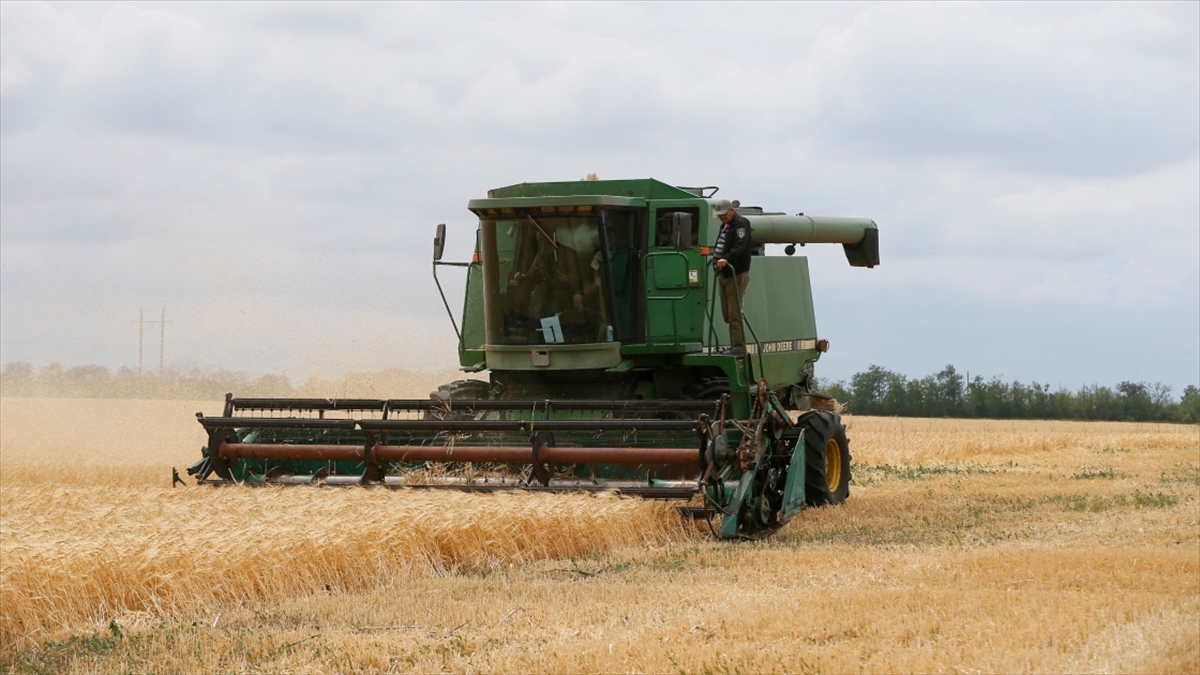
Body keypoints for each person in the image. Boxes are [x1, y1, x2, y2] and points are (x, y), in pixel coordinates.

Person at [711, 199, 752, 355]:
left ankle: (739, 347)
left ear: (731, 211)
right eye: (719, 216)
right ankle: (733, 344)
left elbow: (739, 246)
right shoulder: (725, 226)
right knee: (726, 313)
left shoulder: (742, 224)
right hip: (724, 272)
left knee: (735, 312)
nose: (722, 218)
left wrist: (726, 258)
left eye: (723, 215)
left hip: (737, 273)